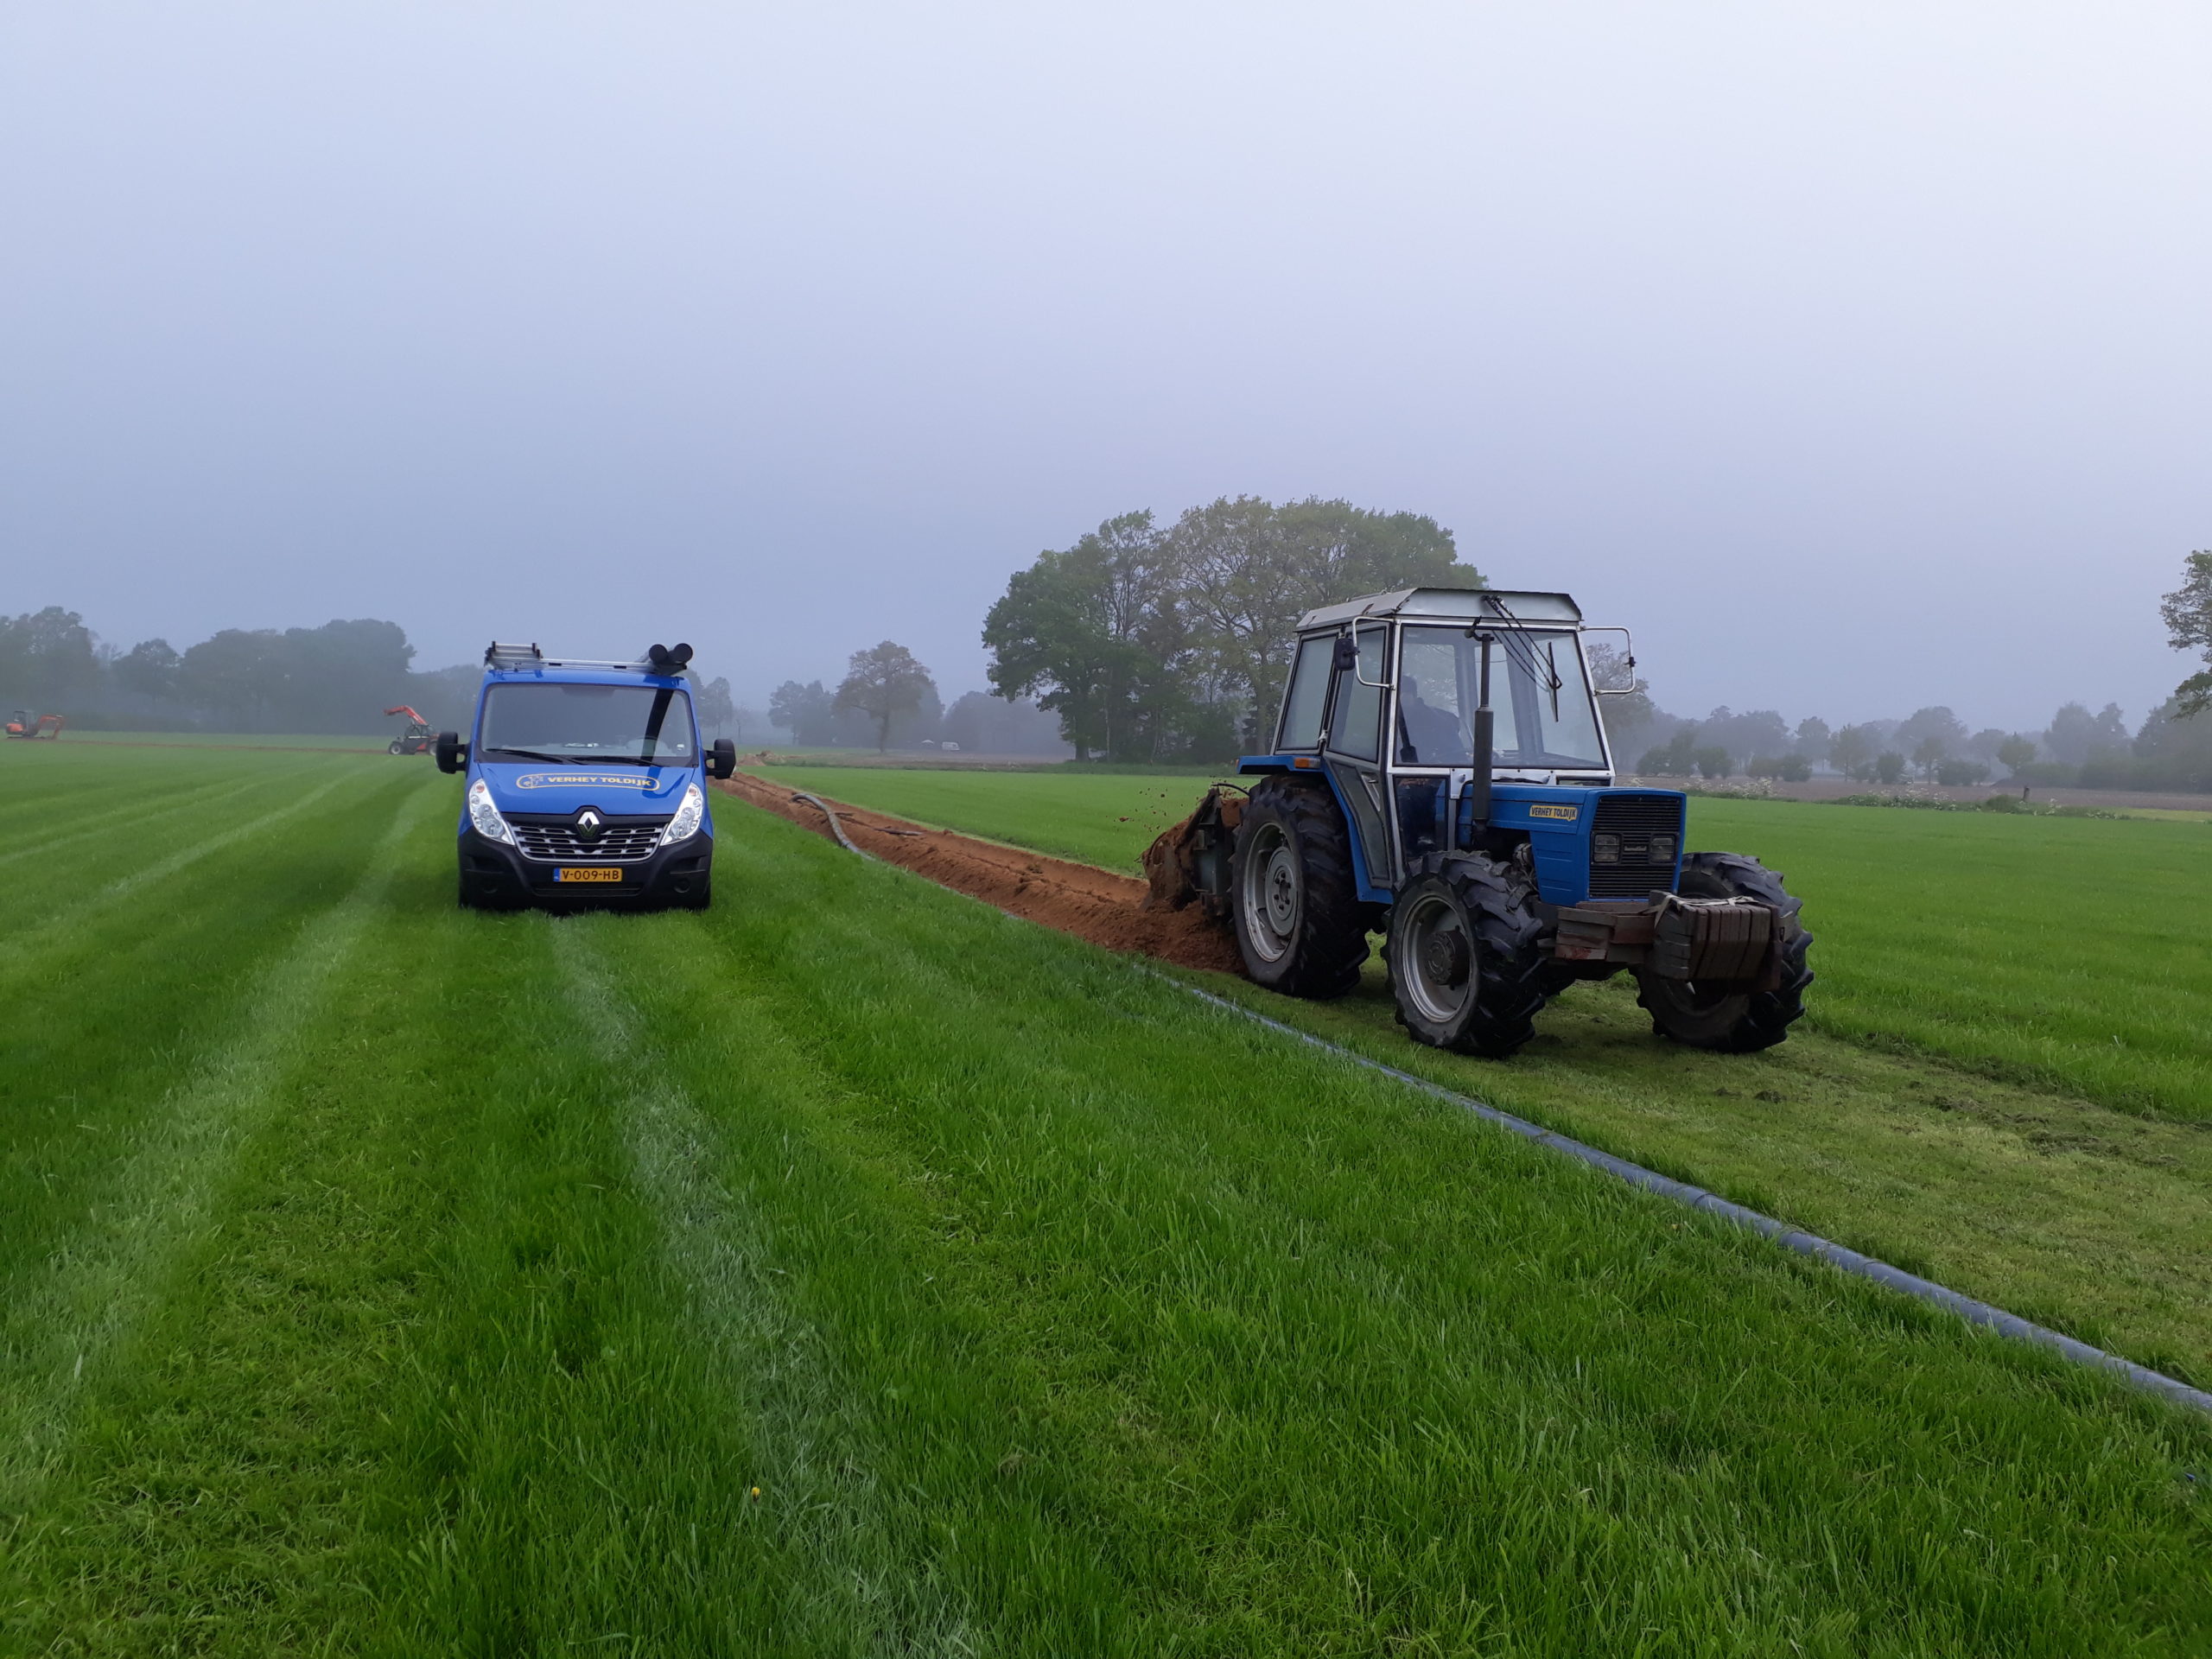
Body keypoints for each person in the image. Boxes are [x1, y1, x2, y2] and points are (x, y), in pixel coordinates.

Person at [1396, 677, 1466, 765]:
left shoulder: (1439, 723)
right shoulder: (1381, 722)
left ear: (1411, 697)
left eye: (1405, 696)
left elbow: (1457, 760)